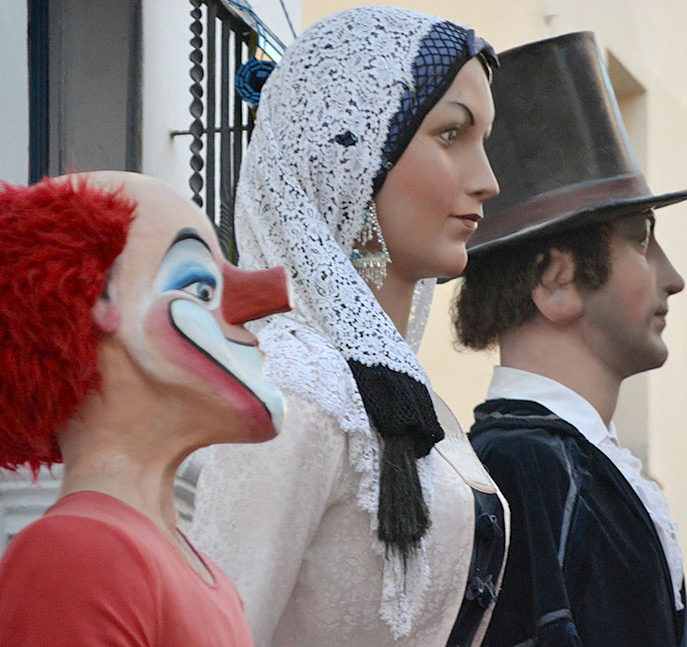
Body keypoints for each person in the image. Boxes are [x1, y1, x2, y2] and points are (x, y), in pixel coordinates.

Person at [189, 6, 508, 646]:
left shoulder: (409, 399)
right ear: (352, 161)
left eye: (483, 141)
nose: (488, 182)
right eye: (451, 136)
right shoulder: (292, 391)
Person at [0, 171, 292, 646]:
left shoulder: (203, 575)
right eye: (201, 288)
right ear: (94, 301)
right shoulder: (77, 550)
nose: (275, 297)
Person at [453, 34, 687, 646]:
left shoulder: (568, 465)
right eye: (642, 240)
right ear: (556, 279)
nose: (674, 279)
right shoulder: (524, 466)